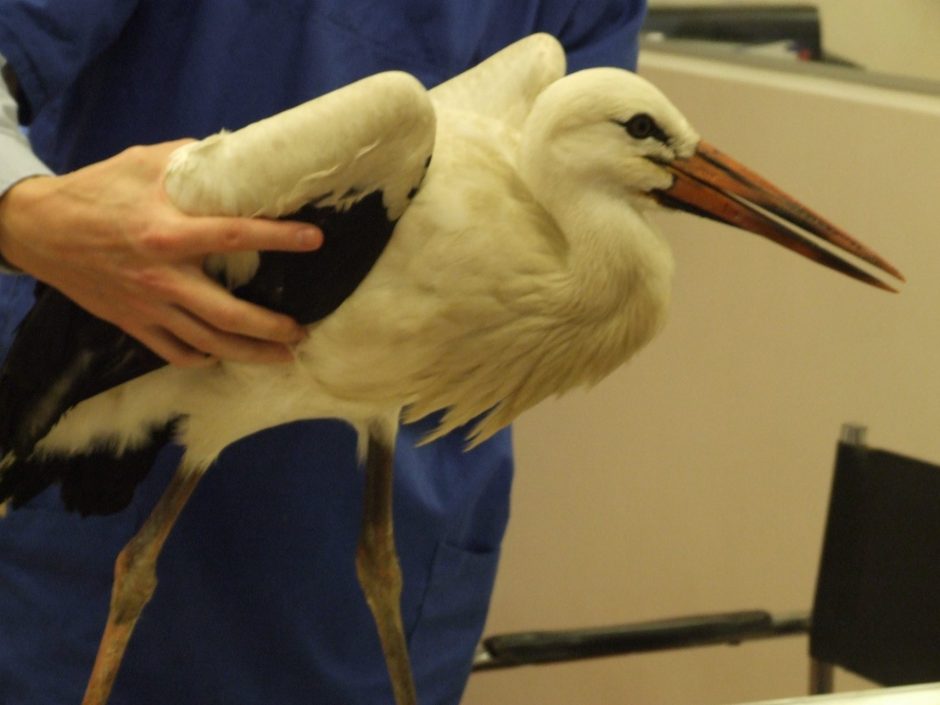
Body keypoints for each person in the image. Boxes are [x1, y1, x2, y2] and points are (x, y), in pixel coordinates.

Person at [0, 2, 647, 704]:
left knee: (380, 564)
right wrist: (27, 214)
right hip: (108, 453)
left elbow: (585, 169)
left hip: (405, 501)